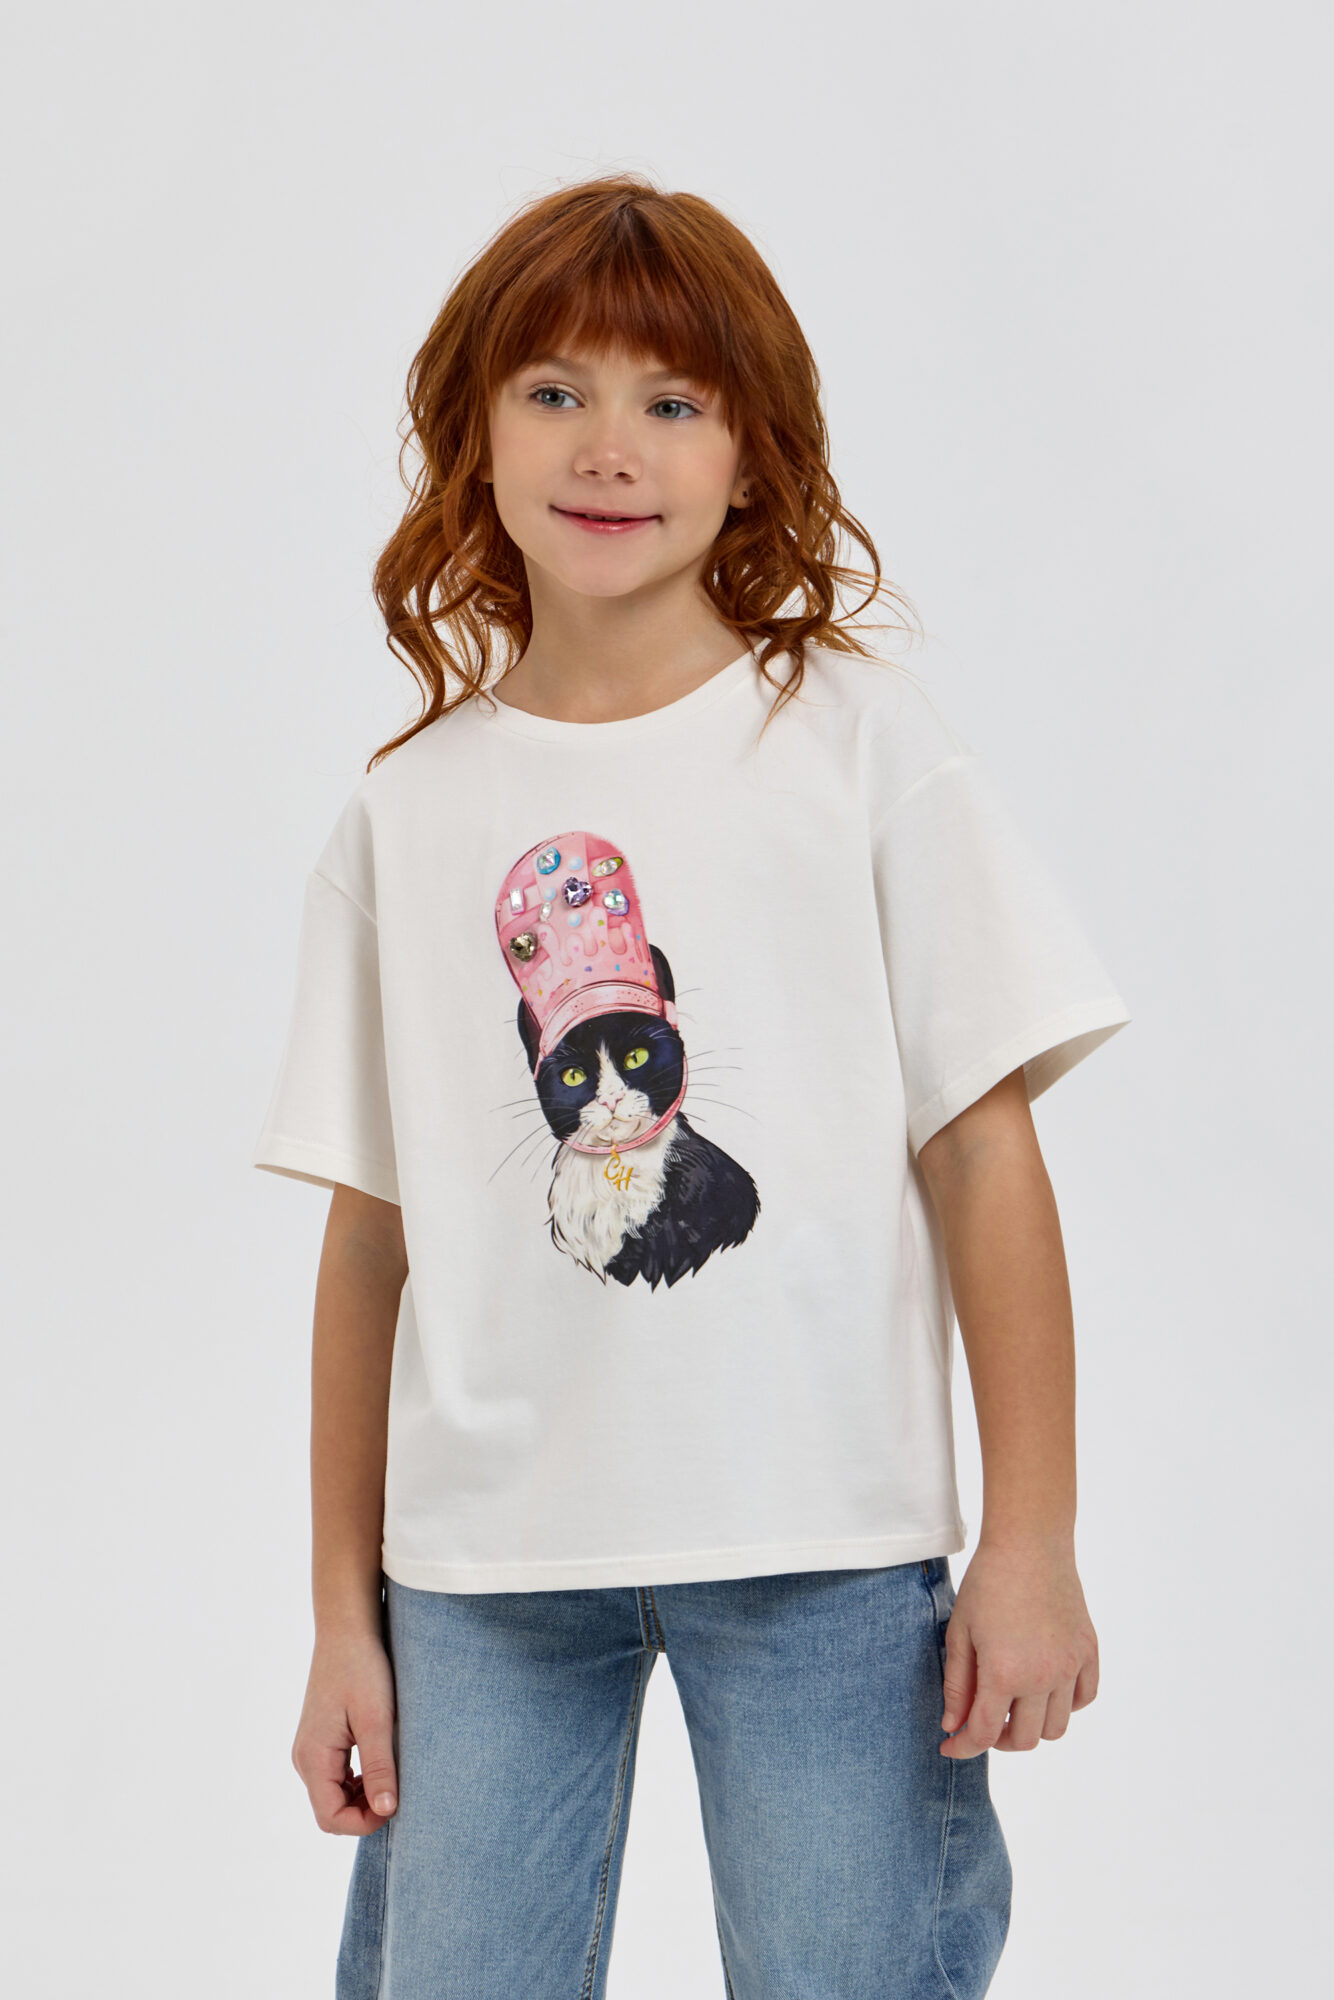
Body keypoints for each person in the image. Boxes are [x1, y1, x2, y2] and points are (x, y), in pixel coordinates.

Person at [252, 171, 1131, 2000]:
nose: (609, 447)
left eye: (671, 400)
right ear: (473, 433)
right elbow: (369, 1238)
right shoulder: (405, 814)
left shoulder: (859, 748)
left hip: (826, 1548)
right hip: (482, 1581)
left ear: (751, 455)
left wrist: (1031, 1538)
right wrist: (343, 1616)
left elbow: (983, 1155)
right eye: (553, 391)